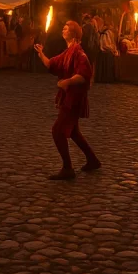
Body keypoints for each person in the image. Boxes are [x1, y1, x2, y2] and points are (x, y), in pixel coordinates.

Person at [34, 20, 101, 180]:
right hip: (69, 97)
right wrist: (41, 53)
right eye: (63, 27)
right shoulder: (68, 52)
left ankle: (67, 168)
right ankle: (92, 160)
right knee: (74, 133)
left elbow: (84, 75)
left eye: (67, 27)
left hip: (74, 99)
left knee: (58, 131)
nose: (63, 29)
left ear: (74, 33)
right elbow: (51, 64)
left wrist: (67, 81)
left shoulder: (79, 53)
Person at [92, 16, 117, 83]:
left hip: (106, 52)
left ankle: (106, 78)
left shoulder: (107, 32)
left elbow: (108, 43)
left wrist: (112, 49)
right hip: (102, 52)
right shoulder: (101, 32)